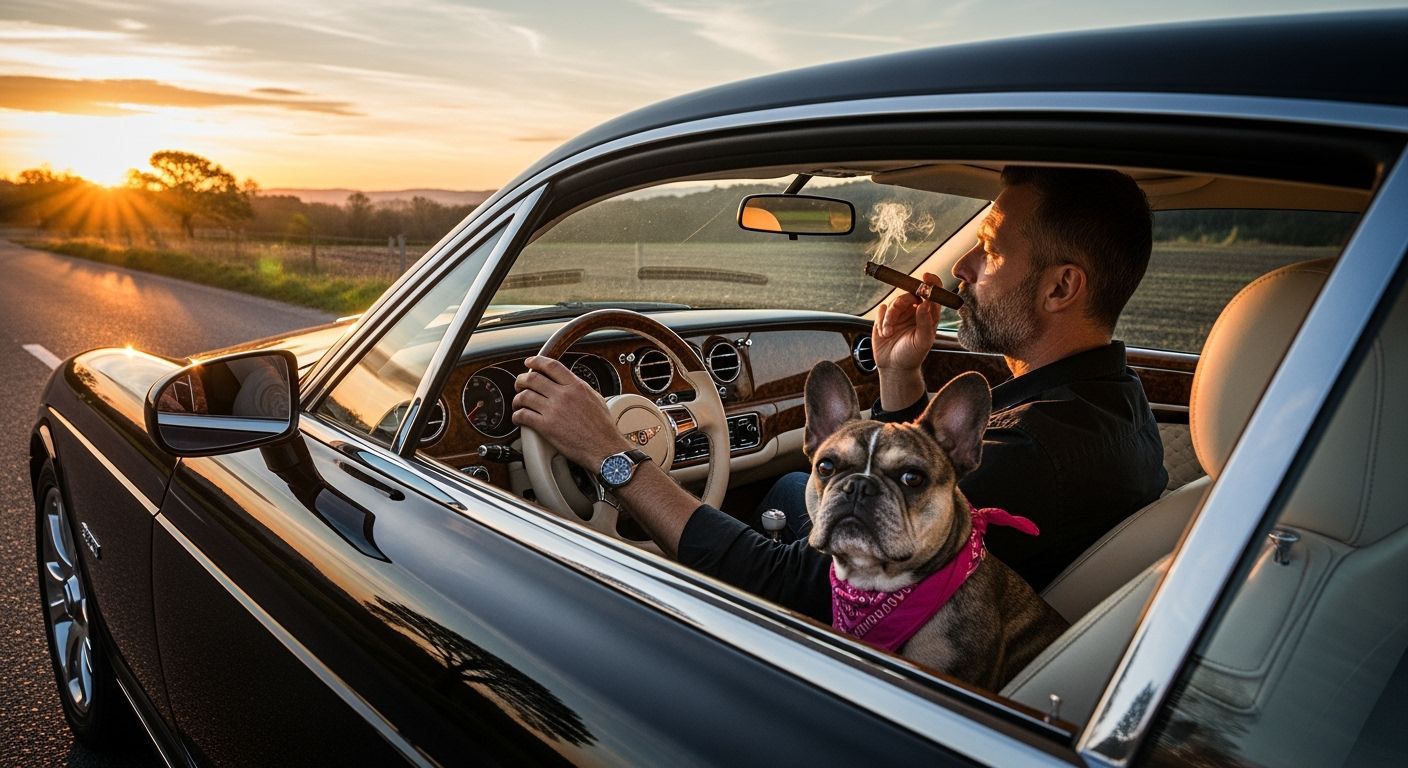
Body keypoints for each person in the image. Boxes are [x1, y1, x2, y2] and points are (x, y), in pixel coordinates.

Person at [513, 166, 1167, 622]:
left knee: (773, 497)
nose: (959, 271)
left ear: (1060, 289)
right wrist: (900, 378)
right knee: (780, 495)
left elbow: (800, 585)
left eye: (988, 252)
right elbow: (905, 482)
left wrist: (612, 456)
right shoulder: (1114, 401)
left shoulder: (1035, 452)